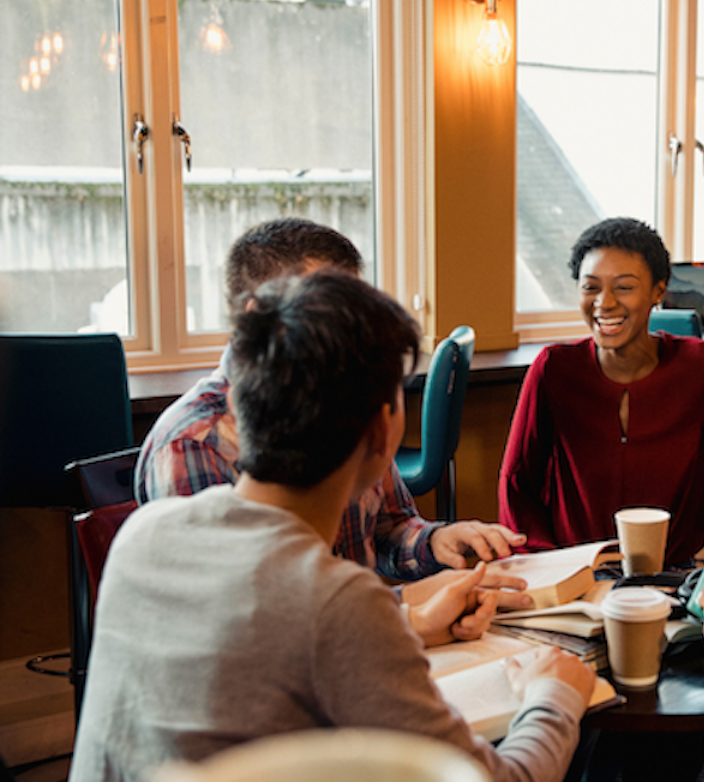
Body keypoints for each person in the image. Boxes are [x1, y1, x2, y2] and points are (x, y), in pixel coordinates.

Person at [70, 270, 595, 782]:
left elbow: (265, 621)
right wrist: (555, 695)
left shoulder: (143, 536)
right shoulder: (339, 605)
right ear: (383, 431)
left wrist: (406, 617)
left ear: (235, 404)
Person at [135, 218, 528, 608]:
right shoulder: (192, 444)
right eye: (330, 306)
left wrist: (435, 542)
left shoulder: (351, 396)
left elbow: (388, 527)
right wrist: (404, 610)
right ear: (258, 315)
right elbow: (241, 623)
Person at [498, 217, 704, 572]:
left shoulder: (701, 366)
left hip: (673, 574)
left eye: (624, 287)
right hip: (576, 577)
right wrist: (545, 566)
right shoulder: (553, 368)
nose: (604, 303)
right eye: (590, 287)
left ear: (658, 291)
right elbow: (516, 482)